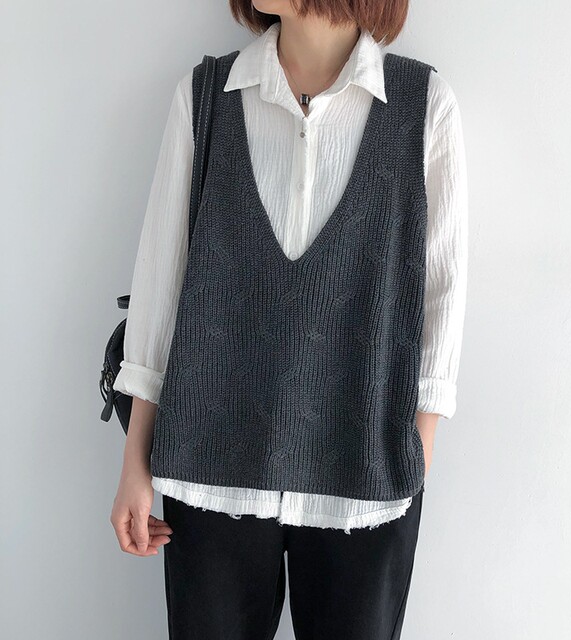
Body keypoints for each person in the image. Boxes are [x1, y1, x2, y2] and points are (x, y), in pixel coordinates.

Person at [110, 1, 468, 638]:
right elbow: (161, 287)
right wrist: (135, 461)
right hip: (209, 467)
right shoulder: (207, 97)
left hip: (364, 471)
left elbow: (442, 294)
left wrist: (414, 454)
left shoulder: (422, 105)